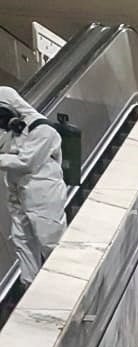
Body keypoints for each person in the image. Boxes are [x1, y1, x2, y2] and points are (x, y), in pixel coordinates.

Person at [0, 87, 67, 291]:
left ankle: (61, 283)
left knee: (50, 239)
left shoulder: (43, 130)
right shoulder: (12, 131)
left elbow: (26, 162)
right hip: (18, 191)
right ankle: (30, 285)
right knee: (21, 238)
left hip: (43, 193)